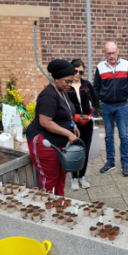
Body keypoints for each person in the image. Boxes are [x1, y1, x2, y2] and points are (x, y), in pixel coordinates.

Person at [26, 60, 80, 196]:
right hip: (45, 142)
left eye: (71, 81)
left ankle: (60, 209)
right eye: (67, 81)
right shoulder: (48, 96)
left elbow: (65, 113)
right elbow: (45, 122)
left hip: (59, 144)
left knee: (61, 179)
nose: (70, 85)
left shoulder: (62, 91)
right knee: (49, 181)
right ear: (56, 79)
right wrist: (68, 134)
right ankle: (47, 212)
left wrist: (73, 125)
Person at [95, 42, 128, 177]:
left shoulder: (125, 65)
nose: (111, 56)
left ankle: (125, 163)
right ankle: (110, 162)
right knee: (108, 136)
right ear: (105, 54)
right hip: (106, 106)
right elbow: (96, 88)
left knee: (124, 136)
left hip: (122, 106)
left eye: (113, 53)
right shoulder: (100, 67)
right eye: (108, 53)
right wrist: (95, 106)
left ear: (117, 52)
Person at [68, 59, 99, 191]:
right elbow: (63, 106)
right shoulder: (66, 85)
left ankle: (82, 176)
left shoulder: (87, 85)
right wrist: (72, 118)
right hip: (72, 123)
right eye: (75, 71)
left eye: (81, 72)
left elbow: (96, 102)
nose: (78, 74)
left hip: (86, 123)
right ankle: (74, 178)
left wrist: (91, 115)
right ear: (71, 70)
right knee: (74, 150)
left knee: (85, 150)